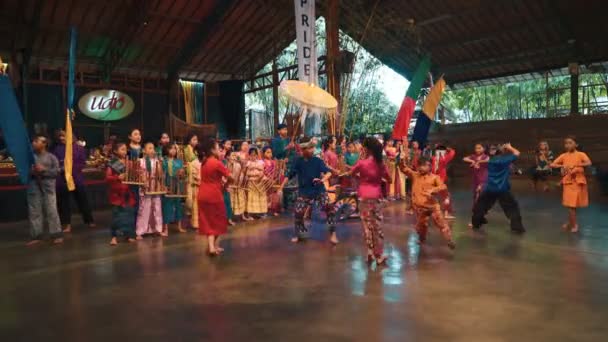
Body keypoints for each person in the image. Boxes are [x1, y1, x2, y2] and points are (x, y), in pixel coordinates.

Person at [347, 137, 391, 265]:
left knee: (367, 227)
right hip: (376, 197)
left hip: (363, 197)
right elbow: (389, 179)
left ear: (366, 149)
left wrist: (360, 176)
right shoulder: (380, 164)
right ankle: (379, 255)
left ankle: (370, 253)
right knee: (377, 227)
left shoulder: (361, 163)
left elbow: (351, 173)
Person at [288, 137, 338, 244]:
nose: (312, 150)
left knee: (330, 208)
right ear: (303, 150)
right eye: (309, 148)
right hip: (305, 191)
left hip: (319, 189)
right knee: (298, 212)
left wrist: (322, 179)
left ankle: (333, 234)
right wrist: (282, 185)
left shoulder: (317, 160)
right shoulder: (298, 161)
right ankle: (299, 234)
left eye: (312, 148)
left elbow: (328, 172)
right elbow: (290, 175)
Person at [399, 157, 455, 249]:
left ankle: (449, 240)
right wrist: (401, 161)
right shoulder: (415, 175)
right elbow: (404, 169)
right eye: (419, 166)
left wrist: (433, 190)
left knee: (441, 223)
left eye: (423, 166)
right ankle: (422, 239)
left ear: (429, 166)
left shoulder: (435, 178)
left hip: (432, 206)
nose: (420, 168)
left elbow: (443, 186)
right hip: (420, 207)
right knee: (421, 225)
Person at [471, 143, 525, 234]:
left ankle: (476, 223)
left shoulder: (490, 161)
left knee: (481, 205)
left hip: (490, 188)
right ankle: (517, 227)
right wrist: (509, 147)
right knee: (512, 208)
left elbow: (484, 160)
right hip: (502, 189)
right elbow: (517, 153)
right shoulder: (505, 160)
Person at [51, 129, 95, 233]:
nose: (62, 138)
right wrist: (62, 168)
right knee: (64, 203)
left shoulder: (79, 148)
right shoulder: (57, 149)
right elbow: (55, 163)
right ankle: (67, 224)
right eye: (60, 136)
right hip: (62, 180)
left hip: (76, 179)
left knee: (82, 200)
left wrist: (71, 169)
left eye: (64, 136)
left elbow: (82, 162)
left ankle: (89, 220)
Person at [197, 138, 234, 256]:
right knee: (218, 221)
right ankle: (212, 247)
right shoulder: (217, 163)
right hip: (214, 195)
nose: (220, 151)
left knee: (208, 221)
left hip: (202, 194)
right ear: (212, 150)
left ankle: (212, 247)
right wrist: (228, 183)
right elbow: (231, 177)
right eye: (218, 148)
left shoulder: (204, 162)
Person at [26, 134, 63, 245]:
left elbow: (57, 171)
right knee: (34, 211)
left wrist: (44, 170)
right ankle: (36, 235)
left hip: (48, 188)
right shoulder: (30, 157)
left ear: (44, 144)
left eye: (37, 141)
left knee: (51, 210)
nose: (34, 143)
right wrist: (31, 171)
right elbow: (24, 172)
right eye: (34, 141)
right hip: (33, 187)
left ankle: (56, 234)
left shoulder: (51, 157)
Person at [550, 136, 592, 233]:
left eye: (570, 143)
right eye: (566, 143)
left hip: (578, 182)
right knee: (570, 206)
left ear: (576, 144)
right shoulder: (564, 155)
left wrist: (576, 165)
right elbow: (552, 164)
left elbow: (589, 163)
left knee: (572, 206)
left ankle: (571, 224)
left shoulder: (581, 154)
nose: (567, 145)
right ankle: (572, 224)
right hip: (568, 182)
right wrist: (562, 166)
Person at [106, 142, 137, 245]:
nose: (125, 151)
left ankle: (129, 235)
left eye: (125, 149)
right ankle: (114, 237)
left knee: (129, 215)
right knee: (117, 216)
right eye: (122, 149)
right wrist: (117, 177)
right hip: (117, 194)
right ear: (115, 151)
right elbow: (107, 178)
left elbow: (135, 174)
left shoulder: (129, 162)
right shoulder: (112, 163)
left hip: (128, 193)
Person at [136, 142, 163, 238]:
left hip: (155, 185)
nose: (152, 150)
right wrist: (143, 179)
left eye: (153, 148)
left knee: (157, 207)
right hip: (145, 185)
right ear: (144, 150)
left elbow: (160, 174)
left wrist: (159, 164)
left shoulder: (156, 161)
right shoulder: (141, 161)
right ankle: (140, 231)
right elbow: (138, 174)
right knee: (145, 208)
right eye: (150, 148)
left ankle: (157, 229)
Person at [162, 143, 186, 235]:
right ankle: (165, 228)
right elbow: (162, 174)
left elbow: (182, 175)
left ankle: (179, 226)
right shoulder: (164, 161)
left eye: (174, 149)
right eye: (170, 148)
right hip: (167, 183)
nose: (173, 150)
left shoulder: (179, 161)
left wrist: (181, 173)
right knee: (167, 205)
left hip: (177, 184)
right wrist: (163, 185)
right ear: (166, 150)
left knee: (178, 205)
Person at [431, 144, 456, 219]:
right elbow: (452, 152)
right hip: (441, 180)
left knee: (432, 196)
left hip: (433, 179)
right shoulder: (444, 159)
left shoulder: (433, 158)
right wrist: (447, 148)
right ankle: (446, 213)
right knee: (446, 196)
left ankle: (433, 212)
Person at [246, 147, 268, 218]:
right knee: (252, 197)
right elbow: (247, 173)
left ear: (257, 155)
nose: (253, 156)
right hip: (252, 182)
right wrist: (253, 173)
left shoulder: (260, 162)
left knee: (261, 196)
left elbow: (262, 171)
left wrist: (259, 177)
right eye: (251, 155)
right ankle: (251, 213)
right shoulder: (248, 163)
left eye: (254, 155)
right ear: (249, 155)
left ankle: (261, 212)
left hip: (260, 181)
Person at [263, 146, 284, 216]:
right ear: (263, 153)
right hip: (265, 181)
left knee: (276, 193)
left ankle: (274, 209)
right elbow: (262, 172)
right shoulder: (262, 162)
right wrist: (268, 178)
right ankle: (265, 209)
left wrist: (279, 166)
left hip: (273, 180)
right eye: (267, 152)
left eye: (270, 152)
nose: (270, 154)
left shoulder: (274, 162)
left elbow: (276, 172)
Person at [222, 150, 235, 225]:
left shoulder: (227, 162)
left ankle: (229, 219)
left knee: (228, 202)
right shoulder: (219, 162)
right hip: (221, 185)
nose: (222, 153)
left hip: (227, 184)